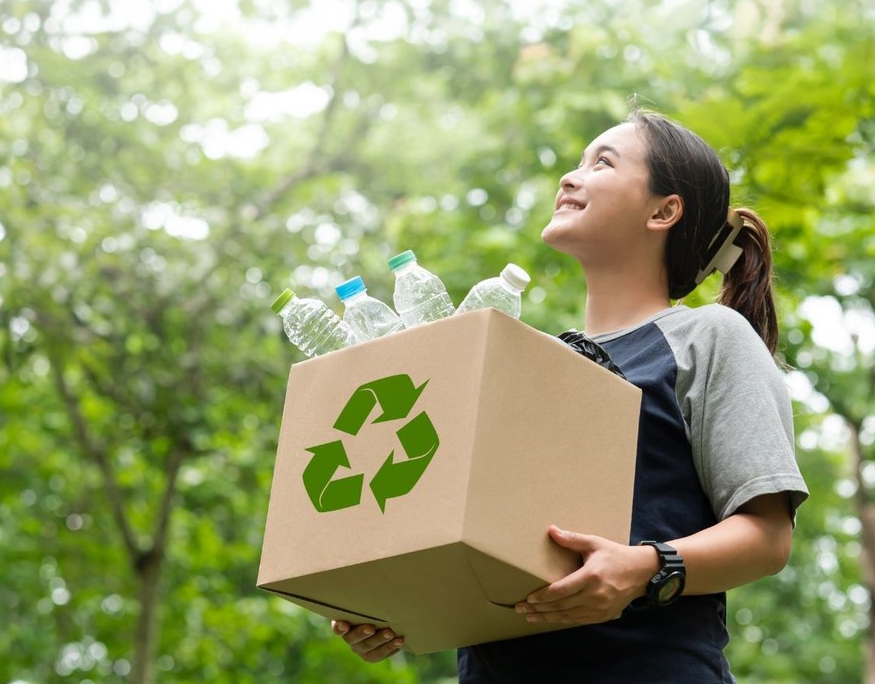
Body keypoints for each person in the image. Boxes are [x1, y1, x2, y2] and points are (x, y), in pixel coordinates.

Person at [332, 108, 809, 682]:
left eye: (602, 163)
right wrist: (391, 599)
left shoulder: (708, 337)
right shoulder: (531, 362)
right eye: (576, 161)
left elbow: (768, 535)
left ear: (664, 211)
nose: (569, 176)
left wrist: (645, 569)